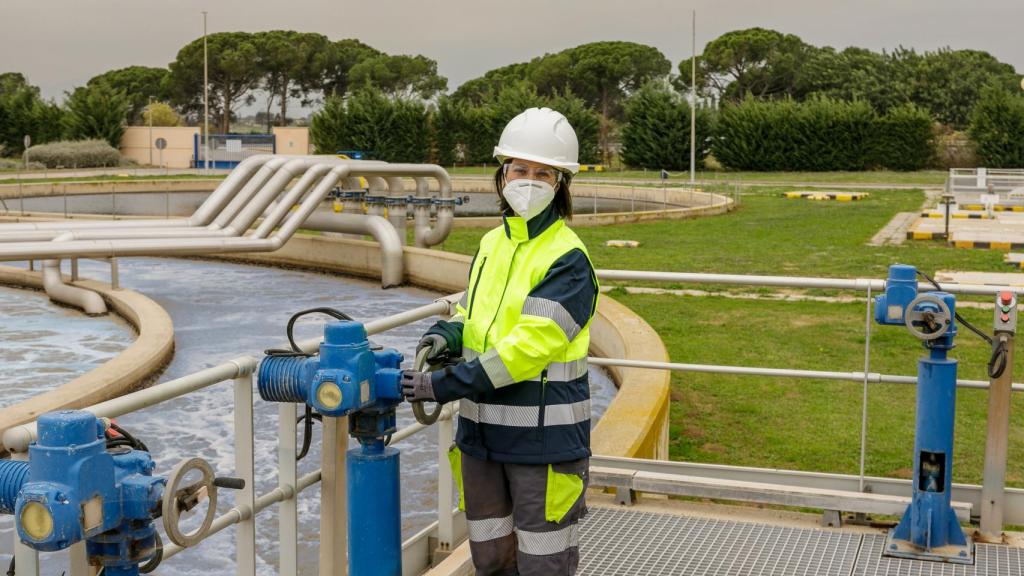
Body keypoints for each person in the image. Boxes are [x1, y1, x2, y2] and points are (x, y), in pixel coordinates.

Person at [402, 107, 599, 575]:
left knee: (543, 564)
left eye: (541, 172)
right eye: (519, 169)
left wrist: (444, 384)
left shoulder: (568, 259)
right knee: (490, 558)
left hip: (543, 446)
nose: (527, 180)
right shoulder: (493, 244)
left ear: (560, 184)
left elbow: (527, 350)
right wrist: (446, 333)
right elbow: (477, 316)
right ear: (502, 174)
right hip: (481, 439)